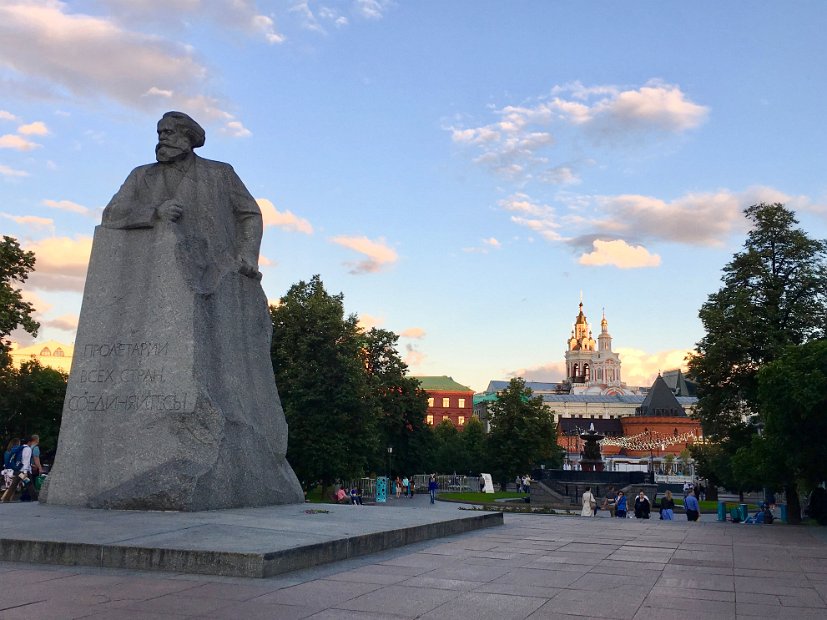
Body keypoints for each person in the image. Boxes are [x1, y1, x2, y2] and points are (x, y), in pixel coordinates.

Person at [1, 435, 37, 502]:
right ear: (29, 442)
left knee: (13, 485)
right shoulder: (28, 449)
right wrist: (26, 472)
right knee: (29, 484)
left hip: (18, 470)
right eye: (31, 442)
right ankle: (35, 498)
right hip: (23, 471)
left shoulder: (20, 448)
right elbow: (26, 460)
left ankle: (6, 499)